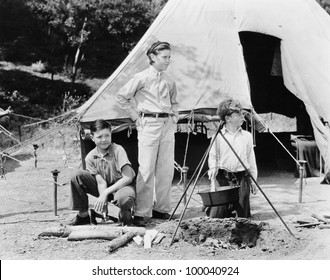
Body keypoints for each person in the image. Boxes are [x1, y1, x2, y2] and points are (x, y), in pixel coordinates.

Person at [115, 41, 179, 226]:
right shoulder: (141, 77)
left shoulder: (170, 80)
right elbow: (122, 96)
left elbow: (174, 102)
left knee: (166, 170)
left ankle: (162, 209)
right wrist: (135, 117)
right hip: (148, 124)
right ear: (152, 57)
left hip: (166, 124)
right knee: (146, 169)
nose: (168, 61)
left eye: (169, 57)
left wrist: (174, 116)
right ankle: (142, 212)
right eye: (164, 57)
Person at [69, 119, 136, 226]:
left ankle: (125, 213)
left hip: (123, 187)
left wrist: (105, 193)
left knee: (123, 201)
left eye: (107, 135)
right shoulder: (90, 157)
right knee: (77, 175)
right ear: (92, 138)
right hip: (107, 189)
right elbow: (101, 182)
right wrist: (103, 200)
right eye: (99, 137)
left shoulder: (118, 150)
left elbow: (128, 178)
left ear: (111, 135)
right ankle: (83, 215)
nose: (104, 140)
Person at [207, 98, 257, 218]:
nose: (242, 117)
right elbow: (213, 157)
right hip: (223, 177)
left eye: (242, 114)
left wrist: (253, 180)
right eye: (238, 114)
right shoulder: (217, 137)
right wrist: (213, 169)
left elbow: (251, 159)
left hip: (242, 178)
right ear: (227, 118)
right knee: (217, 216)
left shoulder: (247, 136)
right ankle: (213, 208)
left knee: (242, 217)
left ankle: (238, 206)